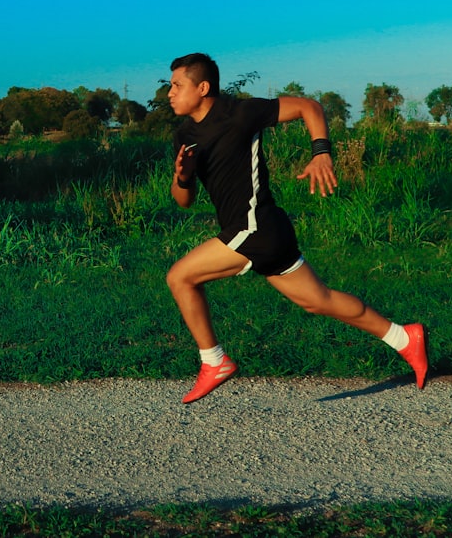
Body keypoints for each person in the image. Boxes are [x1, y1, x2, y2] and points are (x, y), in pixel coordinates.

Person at [165, 52, 428, 404]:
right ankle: (404, 338)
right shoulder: (185, 135)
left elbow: (308, 107)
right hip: (264, 231)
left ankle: (214, 362)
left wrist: (321, 152)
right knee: (318, 301)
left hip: (255, 226)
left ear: (203, 87)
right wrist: (182, 177)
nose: (170, 92)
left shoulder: (240, 113)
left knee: (180, 277)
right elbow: (183, 199)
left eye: (177, 85)